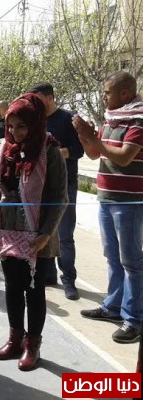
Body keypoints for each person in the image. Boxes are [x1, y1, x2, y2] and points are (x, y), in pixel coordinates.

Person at [0, 93, 67, 371]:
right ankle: (15, 339)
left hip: (39, 234)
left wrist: (45, 234)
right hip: (6, 230)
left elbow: (59, 197)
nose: (15, 132)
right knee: (12, 287)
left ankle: (32, 345)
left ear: (35, 124)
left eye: (22, 126)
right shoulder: (1, 149)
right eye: (11, 126)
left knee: (34, 290)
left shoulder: (49, 150)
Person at [74, 71, 143, 344]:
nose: (103, 96)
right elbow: (94, 153)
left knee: (131, 261)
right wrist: (84, 135)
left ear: (124, 94)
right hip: (107, 198)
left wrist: (94, 139)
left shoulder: (137, 120)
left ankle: (134, 319)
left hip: (129, 202)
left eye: (107, 92)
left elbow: (124, 157)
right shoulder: (112, 119)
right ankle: (113, 306)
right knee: (112, 257)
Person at [29, 82, 84, 299]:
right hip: (41, 184)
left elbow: (78, 151)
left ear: (50, 97)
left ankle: (68, 279)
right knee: (44, 230)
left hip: (65, 184)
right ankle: (48, 274)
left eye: (38, 99)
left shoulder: (68, 119)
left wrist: (53, 153)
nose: (34, 104)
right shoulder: (35, 120)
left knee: (65, 235)